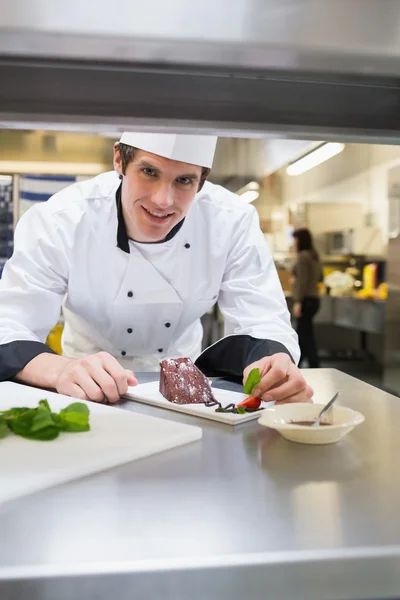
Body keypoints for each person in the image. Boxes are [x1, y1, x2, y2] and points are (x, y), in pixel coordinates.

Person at [0, 132, 313, 404]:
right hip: (83, 385)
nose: (163, 200)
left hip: (186, 391)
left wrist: (276, 367)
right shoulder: (61, 219)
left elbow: (262, 320)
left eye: (184, 180)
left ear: (202, 179)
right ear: (119, 161)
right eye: (149, 171)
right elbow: (9, 323)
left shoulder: (231, 221)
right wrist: (61, 370)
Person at [291, 227, 323, 368]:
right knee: (304, 334)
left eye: (295, 239)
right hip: (314, 299)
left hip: (306, 300)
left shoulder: (303, 257)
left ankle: (313, 365)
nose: (294, 242)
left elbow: (302, 280)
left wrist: (298, 302)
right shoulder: (314, 256)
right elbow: (321, 277)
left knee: (304, 335)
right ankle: (299, 364)